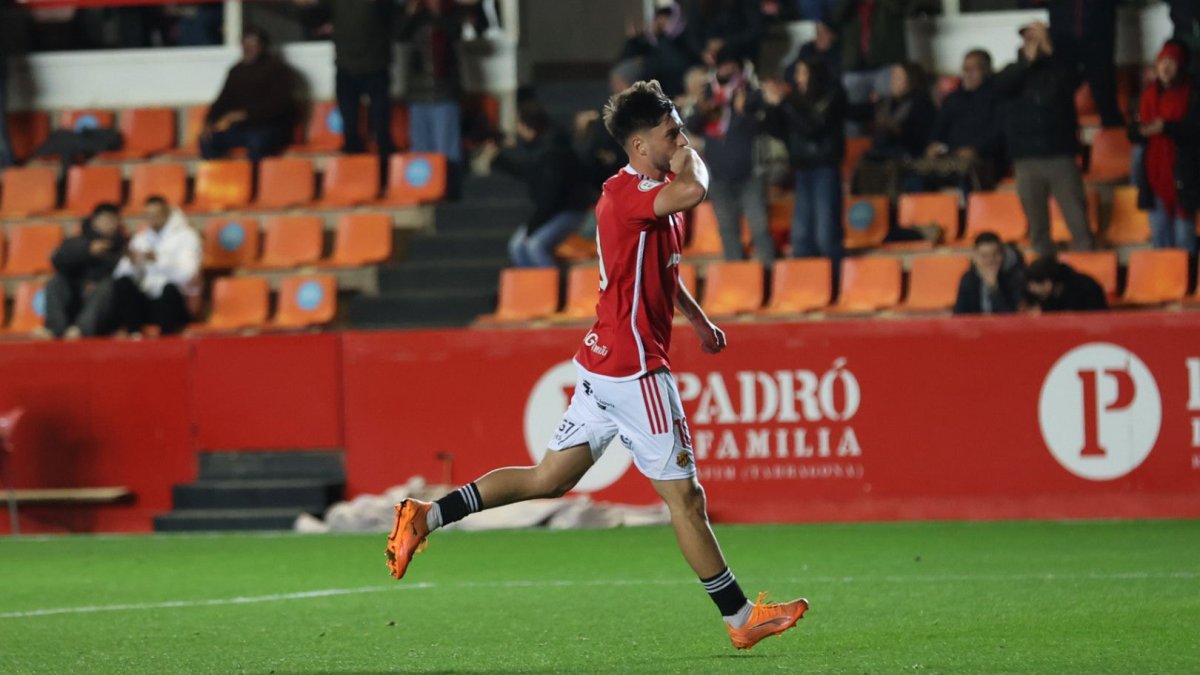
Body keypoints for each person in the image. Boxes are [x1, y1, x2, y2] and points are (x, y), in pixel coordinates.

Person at [385, 80, 810, 651]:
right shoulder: (628, 195)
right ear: (639, 145)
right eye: (670, 133)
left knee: (548, 479)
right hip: (635, 371)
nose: (680, 140)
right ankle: (740, 619)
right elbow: (696, 192)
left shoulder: (648, 188)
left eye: (680, 131)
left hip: (603, 364)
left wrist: (698, 321)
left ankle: (426, 516)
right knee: (686, 500)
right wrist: (693, 159)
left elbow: (663, 270)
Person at [993, 21, 1093, 256]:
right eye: (1028, 36)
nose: (1033, 41)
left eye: (1038, 36)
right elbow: (1000, 87)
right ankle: (1042, 269)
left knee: (1077, 217)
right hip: (1026, 158)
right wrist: (1026, 62)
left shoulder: (1060, 68)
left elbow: (1073, 83)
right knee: (1036, 223)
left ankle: (1088, 261)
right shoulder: (1012, 70)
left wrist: (1052, 54)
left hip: (1060, 154)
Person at [686, 47, 775, 264]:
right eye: (722, 63)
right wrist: (702, 111)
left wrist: (743, 112)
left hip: (749, 174)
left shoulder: (751, 92)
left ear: (738, 66)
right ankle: (738, 278)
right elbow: (692, 127)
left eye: (731, 63)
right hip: (719, 177)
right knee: (727, 231)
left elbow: (763, 126)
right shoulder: (707, 93)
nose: (726, 67)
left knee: (759, 228)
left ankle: (769, 275)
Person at [476, 101, 591, 268]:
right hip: (551, 211)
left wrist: (533, 227)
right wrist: (498, 160)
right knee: (517, 246)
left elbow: (550, 198)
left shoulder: (552, 152)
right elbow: (527, 171)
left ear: (526, 125)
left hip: (569, 210)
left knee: (535, 246)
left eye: (518, 123)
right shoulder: (540, 148)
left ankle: (554, 290)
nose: (516, 129)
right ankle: (534, 289)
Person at [298, 0, 396, 184]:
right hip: (348, 70)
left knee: (380, 130)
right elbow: (314, 20)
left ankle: (386, 178)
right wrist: (306, 8)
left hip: (375, 68)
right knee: (351, 132)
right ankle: (359, 179)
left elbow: (393, 19)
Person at [764, 56, 846, 265]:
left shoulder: (831, 95)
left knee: (825, 234)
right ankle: (806, 286)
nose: (797, 78)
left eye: (802, 72)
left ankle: (835, 284)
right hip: (801, 168)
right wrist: (773, 106)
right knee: (801, 237)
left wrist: (784, 103)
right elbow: (778, 131)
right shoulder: (793, 100)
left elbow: (812, 128)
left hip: (824, 167)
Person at [1130, 41, 1199, 255]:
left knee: (1183, 238)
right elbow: (1132, 132)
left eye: (1171, 62)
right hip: (1153, 177)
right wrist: (1143, 131)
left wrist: (1166, 127)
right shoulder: (1148, 95)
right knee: (1160, 238)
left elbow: (1194, 129)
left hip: (1184, 176)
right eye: (1162, 62)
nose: (1166, 67)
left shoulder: (1193, 93)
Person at [399, 0, 466, 198]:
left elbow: (456, 33)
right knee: (421, 150)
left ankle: (451, 193)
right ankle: (426, 192)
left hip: (445, 92)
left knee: (447, 150)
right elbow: (399, 35)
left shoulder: (451, 13)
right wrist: (411, 13)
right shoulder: (415, 16)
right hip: (418, 93)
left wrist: (438, 13)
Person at [199, 28, 297, 163]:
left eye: (253, 43)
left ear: (263, 46)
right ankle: (222, 180)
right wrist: (209, 121)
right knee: (207, 140)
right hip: (242, 129)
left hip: (271, 128)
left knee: (257, 142)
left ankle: (255, 182)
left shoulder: (277, 69)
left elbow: (279, 105)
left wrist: (244, 114)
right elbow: (222, 100)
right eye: (245, 43)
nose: (248, 47)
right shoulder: (236, 71)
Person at [916, 49, 1005, 192]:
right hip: (950, 157)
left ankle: (967, 213)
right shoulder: (953, 99)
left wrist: (977, 150)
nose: (968, 74)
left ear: (986, 70)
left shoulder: (998, 98)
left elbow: (999, 133)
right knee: (918, 176)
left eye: (973, 69)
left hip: (985, 160)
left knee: (968, 176)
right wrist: (933, 144)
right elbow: (939, 128)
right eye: (965, 69)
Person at [112, 196, 202, 336]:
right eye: (148, 215)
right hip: (148, 303)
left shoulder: (187, 236)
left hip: (176, 303)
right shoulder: (141, 239)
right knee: (123, 284)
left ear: (166, 212)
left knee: (169, 289)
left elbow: (189, 275)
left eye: (156, 214)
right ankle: (135, 334)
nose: (152, 218)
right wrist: (133, 263)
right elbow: (119, 274)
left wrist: (157, 259)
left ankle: (166, 340)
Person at [849, 61, 935, 196]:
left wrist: (897, 128)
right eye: (893, 76)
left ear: (911, 79)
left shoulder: (922, 104)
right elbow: (858, 112)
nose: (893, 81)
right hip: (882, 154)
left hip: (908, 157)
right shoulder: (885, 103)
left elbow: (922, 135)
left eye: (899, 77)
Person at [1033, 0, 1123, 127]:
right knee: (1060, 97)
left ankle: (1114, 139)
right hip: (1063, 39)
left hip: (1099, 36)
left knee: (1105, 95)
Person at [831, 0, 938, 106]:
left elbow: (900, 8)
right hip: (856, 66)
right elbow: (837, 16)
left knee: (889, 112)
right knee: (856, 115)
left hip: (887, 64)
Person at [44, 203, 126, 339]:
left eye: (114, 220)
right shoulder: (76, 242)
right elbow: (58, 261)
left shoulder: (123, 246)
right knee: (55, 282)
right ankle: (55, 328)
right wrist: (88, 251)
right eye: (107, 220)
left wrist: (94, 279)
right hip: (75, 298)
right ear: (94, 221)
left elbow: (123, 272)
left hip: (104, 309)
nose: (110, 224)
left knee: (108, 285)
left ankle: (81, 329)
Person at [620, 4, 699, 99]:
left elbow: (679, 61)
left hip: (676, 84)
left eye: (665, 18)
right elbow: (627, 57)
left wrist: (662, 37)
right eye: (658, 18)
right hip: (653, 85)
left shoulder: (683, 36)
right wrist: (633, 40)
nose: (661, 22)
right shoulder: (651, 39)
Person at [953, 232, 1025, 315]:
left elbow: (1012, 318)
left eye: (995, 254)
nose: (990, 260)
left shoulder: (1016, 277)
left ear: (1003, 254)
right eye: (984, 256)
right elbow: (959, 315)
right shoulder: (968, 279)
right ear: (976, 257)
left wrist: (994, 289)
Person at [1024, 254, 1107, 313]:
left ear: (1047, 284)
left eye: (1033, 285)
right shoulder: (1034, 294)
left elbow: (1097, 318)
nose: (1031, 289)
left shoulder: (1086, 288)